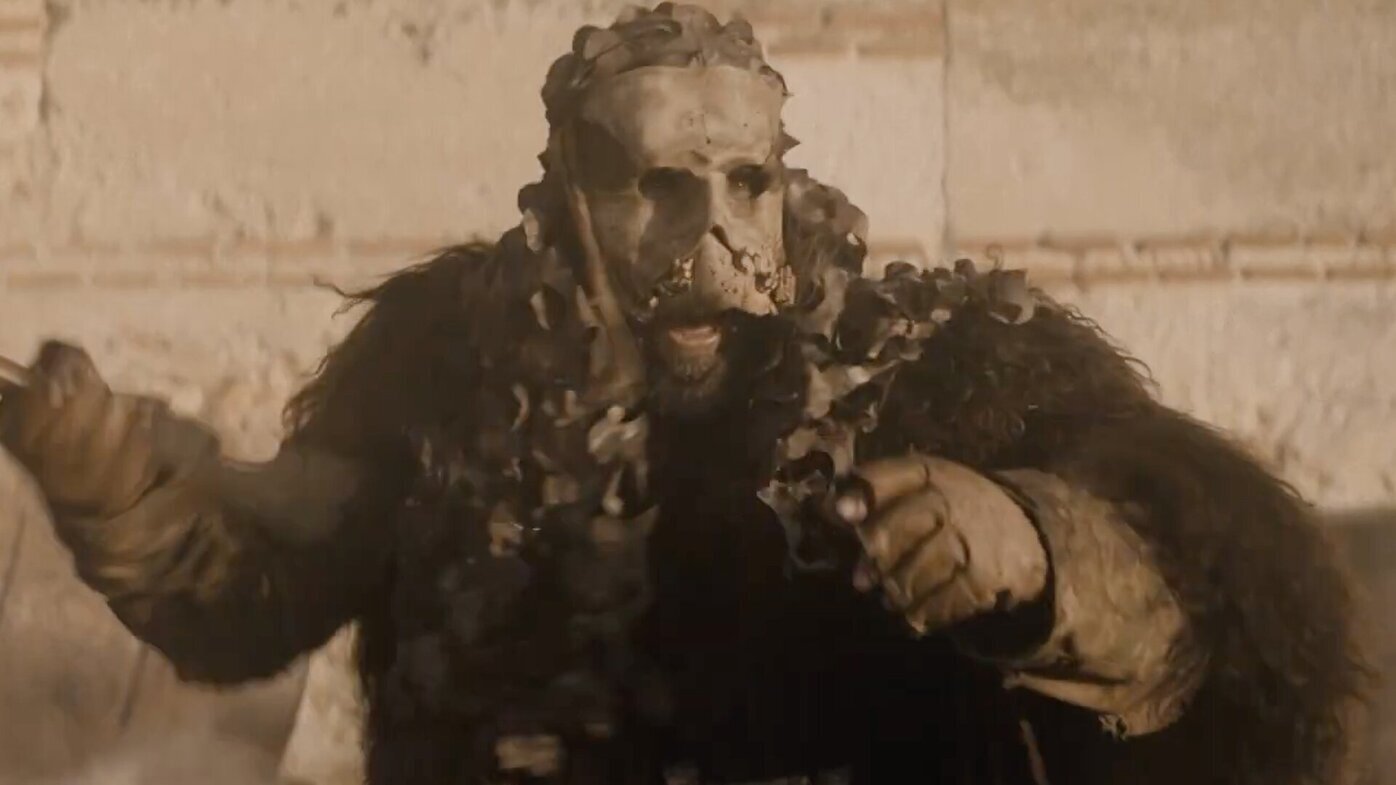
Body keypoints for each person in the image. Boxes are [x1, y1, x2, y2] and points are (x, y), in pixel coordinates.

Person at [0, 4, 1367, 784]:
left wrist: (1037, 550)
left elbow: (1215, 588)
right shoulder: (441, 368)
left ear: (786, 186)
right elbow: (258, 594)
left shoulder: (947, 368)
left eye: (745, 183)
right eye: (656, 186)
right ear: (565, 202)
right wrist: (121, 488)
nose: (711, 234)